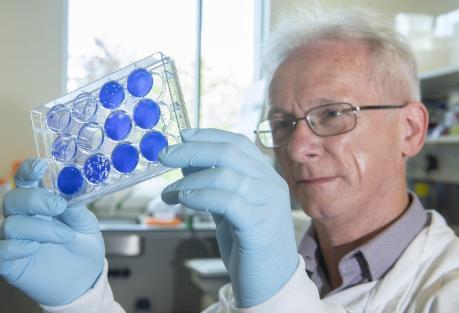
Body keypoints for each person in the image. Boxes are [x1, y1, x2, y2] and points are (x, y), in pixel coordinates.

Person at [1, 6, 459, 313]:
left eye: (333, 114)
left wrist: (280, 292)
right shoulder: (269, 265)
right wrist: (83, 300)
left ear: (411, 129)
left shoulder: (446, 288)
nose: (297, 148)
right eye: (282, 123)